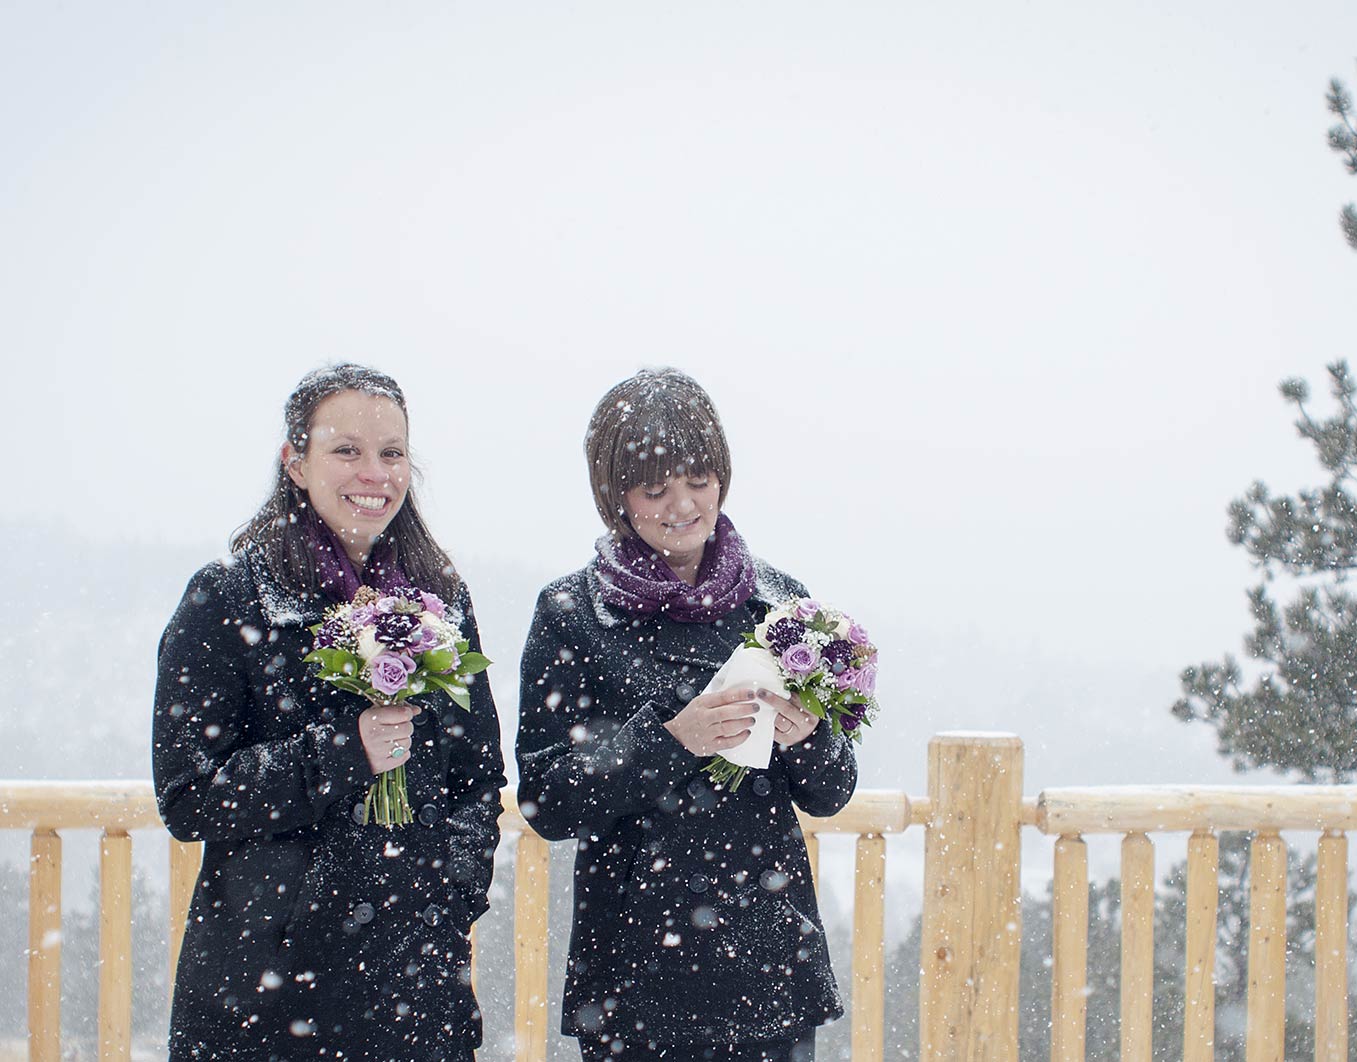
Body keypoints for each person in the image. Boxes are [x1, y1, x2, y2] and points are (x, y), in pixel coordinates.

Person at [152, 364, 505, 1062]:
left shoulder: (442, 602)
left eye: (391, 452)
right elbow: (190, 797)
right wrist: (343, 751)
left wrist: (450, 891)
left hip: (415, 989)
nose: (373, 472)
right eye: (347, 450)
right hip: (266, 993)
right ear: (295, 462)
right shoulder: (228, 601)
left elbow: (480, 777)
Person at [517, 368, 857, 1061]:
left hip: (770, 968)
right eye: (655, 488)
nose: (683, 504)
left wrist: (810, 738)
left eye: (699, 480)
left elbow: (833, 789)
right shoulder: (573, 614)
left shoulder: (778, 602)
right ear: (616, 495)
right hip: (634, 980)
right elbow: (546, 799)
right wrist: (671, 741)